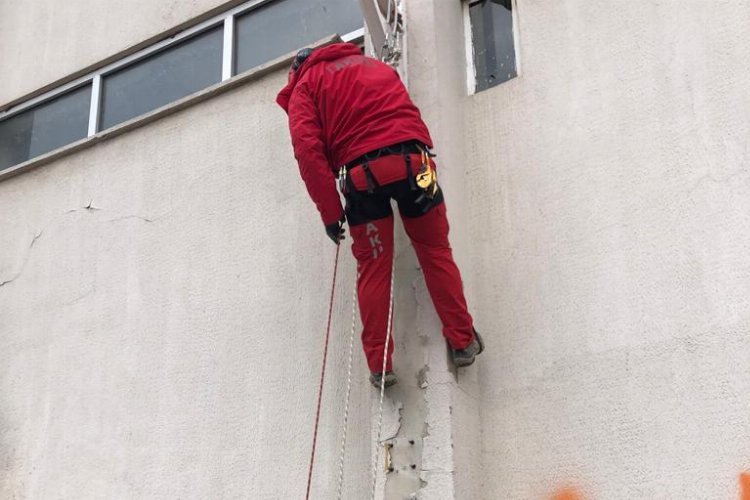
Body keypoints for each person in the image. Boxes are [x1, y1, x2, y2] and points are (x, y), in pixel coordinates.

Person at [276, 42, 483, 388]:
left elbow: (308, 153)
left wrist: (331, 213)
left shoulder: (306, 86)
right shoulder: (375, 66)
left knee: (373, 267)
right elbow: (408, 113)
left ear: (297, 68)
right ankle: (463, 341)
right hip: (416, 164)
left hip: (363, 178)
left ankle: (380, 367)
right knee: (435, 251)